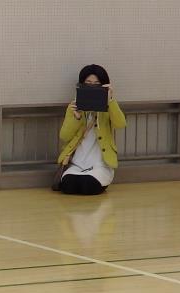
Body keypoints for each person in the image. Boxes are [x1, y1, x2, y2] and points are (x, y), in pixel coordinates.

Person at [53, 64, 126, 196]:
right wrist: (76, 118)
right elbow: (64, 136)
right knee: (68, 186)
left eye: (97, 84)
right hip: (77, 163)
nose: (92, 87)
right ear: (81, 85)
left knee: (88, 185)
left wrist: (110, 100)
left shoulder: (108, 107)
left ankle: (97, 179)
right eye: (88, 83)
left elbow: (120, 124)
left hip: (100, 164)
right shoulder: (74, 107)